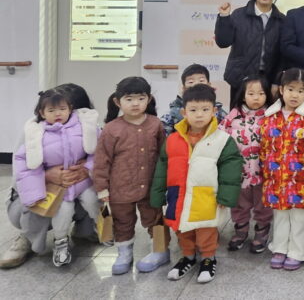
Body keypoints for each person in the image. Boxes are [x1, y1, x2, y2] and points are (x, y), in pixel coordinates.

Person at [150, 84, 243, 284]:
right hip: (178, 194)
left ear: (214, 111)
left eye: (205, 109)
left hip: (206, 195)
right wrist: (157, 195)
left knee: (205, 229)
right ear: (184, 112)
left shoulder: (223, 140)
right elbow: (162, 168)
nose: (199, 115)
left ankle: (208, 258)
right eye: (193, 110)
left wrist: (226, 196)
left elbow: (231, 169)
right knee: (182, 228)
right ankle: (188, 256)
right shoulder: (173, 139)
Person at [1, 83, 96, 269]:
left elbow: (103, 158)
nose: (59, 114)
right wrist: (46, 176)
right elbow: (19, 176)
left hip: (74, 189)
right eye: (53, 109)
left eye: (64, 109)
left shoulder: (88, 126)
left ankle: (86, 229)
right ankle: (27, 238)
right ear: (43, 111)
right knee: (39, 195)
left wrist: (87, 169)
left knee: (95, 193)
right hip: (32, 197)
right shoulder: (34, 130)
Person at [94, 77, 167, 275]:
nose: (135, 103)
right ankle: (124, 253)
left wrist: (165, 183)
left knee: (155, 219)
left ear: (149, 99)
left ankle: (160, 251)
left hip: (150, 186)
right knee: (122, 222)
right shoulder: (111, 129)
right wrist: (102, 188)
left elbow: (163, 155)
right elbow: (101, 161)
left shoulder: (156, 124)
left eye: (141, 98)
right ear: (117, 101)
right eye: (129, 99)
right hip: (120, 188)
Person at [257, 68, 304, 270]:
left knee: (299, 217)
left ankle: (298, 250)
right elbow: (263, 149)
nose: (295, 95)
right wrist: (265, 173)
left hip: (300, 178)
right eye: (291, 89)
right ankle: (280, 247)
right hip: (275, 178)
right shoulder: (269, 117)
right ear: (282, 90)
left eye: (301, 91)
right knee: (280, 215)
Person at [218, 74, 272, 253]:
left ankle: (262, 231)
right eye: (251, 93)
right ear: (242, 95)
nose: (256, 98)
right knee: (240, 203)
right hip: (239, 171)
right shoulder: (232, 117)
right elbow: (220, 139)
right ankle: (240, 231)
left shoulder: (271, 116)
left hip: (263, 171)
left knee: (262, 204)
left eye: (261, 93)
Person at [215, 0, 285, 99]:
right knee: (238, 112)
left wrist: (276, 81)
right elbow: (223, 42)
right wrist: (224, 17)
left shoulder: (282, 20)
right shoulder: (239, 15)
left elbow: (282, 55)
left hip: (267, 81)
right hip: (240, 79)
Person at [160, 64, 226, 136]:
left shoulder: (218, 111)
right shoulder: (173, 112)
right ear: (184, 88)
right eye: (191, 82)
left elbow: (227, 133)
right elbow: (163, 136)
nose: (196, 84)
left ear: (209, 85)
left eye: (201, 80)